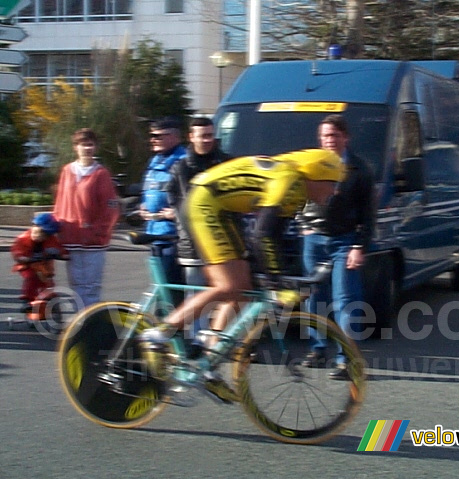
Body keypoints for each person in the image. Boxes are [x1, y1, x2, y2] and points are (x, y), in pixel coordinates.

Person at [138, 148, 346, 401]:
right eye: (332, 183)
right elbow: (262, 234)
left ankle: (208, 364)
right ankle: (160, 332)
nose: (335, 192)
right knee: (229, 286)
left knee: (244, 289)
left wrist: (276, 276)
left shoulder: (299, 192)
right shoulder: (289, 181)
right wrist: (276, 283)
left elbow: (273, 238)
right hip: (203, 203)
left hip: (221, 209)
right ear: (316, 176)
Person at [297, 114, 374, 380]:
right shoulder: (312, 164)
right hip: (314, 239)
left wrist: (359, 246)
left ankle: (346, 360)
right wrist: (302, 223)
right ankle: (318, 349)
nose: (328, 141)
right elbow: (297, 195)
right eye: (324, 136)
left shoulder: (359, 169)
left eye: (333, 135)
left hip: (345, 241)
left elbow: (368, 213)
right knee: (313, 297)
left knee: (345, 301)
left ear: (345, 137)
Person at [167, 117, 230, 336]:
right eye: (201, 135)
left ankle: (222, 337)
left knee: (229, 290)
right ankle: (197, 339)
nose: (205, 140)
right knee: (195, 292)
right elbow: (173, 196)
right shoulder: (180, 168)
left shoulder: (225, 163)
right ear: (191, 137)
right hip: (193, 241)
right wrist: (181, 221)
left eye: (209, 135)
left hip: (223, 239)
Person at [52, 128, 120, 309]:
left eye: (90, 144)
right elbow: (60, 201)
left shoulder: (100, 174)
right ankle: (78, 319)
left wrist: (98, 231)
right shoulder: (67, 171)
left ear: (95, 147)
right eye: (83, 144)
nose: (87, 148)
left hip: (94, 240)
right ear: (76, 147)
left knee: (91, 285)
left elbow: (111, 207)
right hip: (71, 235)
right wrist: (56, 224)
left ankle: (89, 321)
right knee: (76, 283)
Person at [140, 117, 186, 302]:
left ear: (174, 137)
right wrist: (143, 206)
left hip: (173, 236)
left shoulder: (182, 162)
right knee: (160, 287)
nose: (152, 139)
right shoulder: (156, 161)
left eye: (157, 136)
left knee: (172, 289)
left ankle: (175, 327)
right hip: (154, 234)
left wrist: (177, 213)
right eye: (151, 135)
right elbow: (150, 189)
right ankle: (163, 323)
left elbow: (192, 196)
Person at [11, 213, 69, 313]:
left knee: (49, 281)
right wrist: (22, 257)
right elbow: (17, 250)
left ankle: (50, 298)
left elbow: (59, 248)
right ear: (34, 227)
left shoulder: (51, 240)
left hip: (43, 266)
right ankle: (27, 299)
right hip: (28, 265)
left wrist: (63, 255)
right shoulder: (23, 239)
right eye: (41, 233)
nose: (43, 237)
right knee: (31, 278)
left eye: (46, 235)